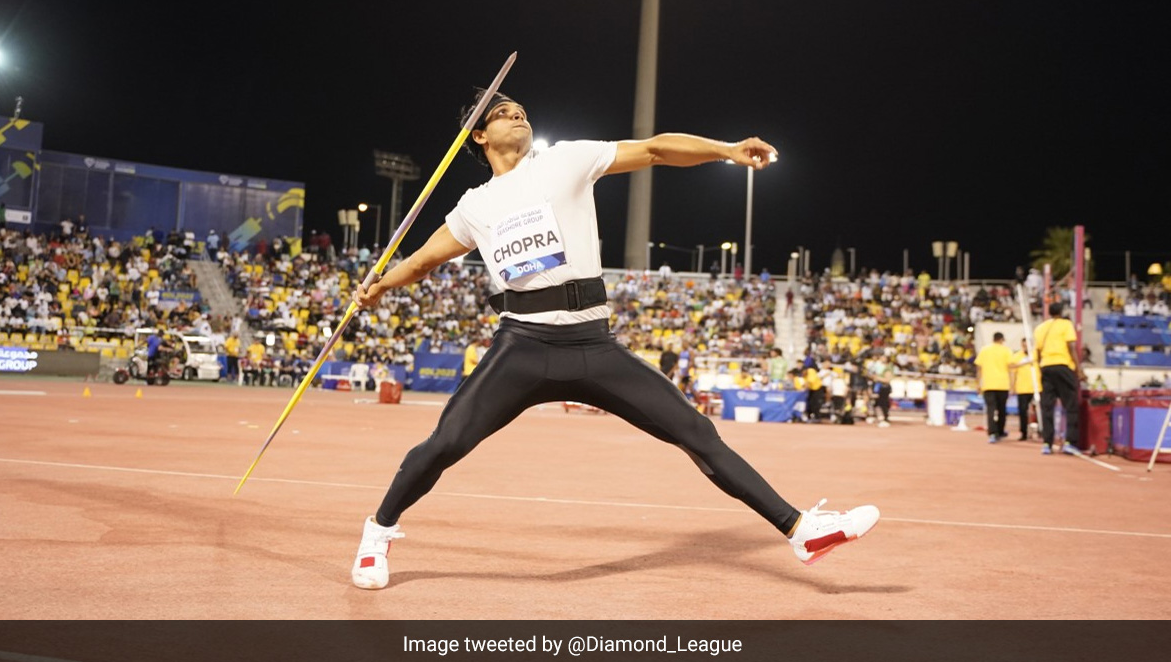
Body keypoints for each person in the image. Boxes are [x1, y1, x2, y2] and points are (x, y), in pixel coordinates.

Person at [347, 90, 879, 589]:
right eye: (505, 112)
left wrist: (726, 151)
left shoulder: (562, 161)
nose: (519, 115)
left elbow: (652, 151)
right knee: (445, 444)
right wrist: (375, 289)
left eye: (522, 110)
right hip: (523, 347)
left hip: (594, 348)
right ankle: (377, 533)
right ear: (479, 137)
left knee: (696, 433)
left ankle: (801, 530)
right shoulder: (473, 207)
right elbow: (420, 262)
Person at [1032, 301, 1084, 455]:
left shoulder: (1041, 328)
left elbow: (1039, 351)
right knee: (1071, 405)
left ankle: (1047, 443)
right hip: (1063, 366)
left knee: (1047, 407)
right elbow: (1071, 347)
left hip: (1046, 367)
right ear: (1062, 312)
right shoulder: (1066, 324)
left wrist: (1042, 368)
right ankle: (1069, 442)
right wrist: (1079, 369)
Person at [975, 332, 1013, 444]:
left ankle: (992, 433)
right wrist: (1012, 384)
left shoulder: (984, 350)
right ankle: (1000, 431)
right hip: (1003, 384)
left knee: (991, 409)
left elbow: (979, 368)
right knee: (1002, 410)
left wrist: (978, 383)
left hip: (988, 384)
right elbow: (1010, 367)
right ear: (1001, 339)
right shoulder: (1006, 350)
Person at [1009, 338, 1041, 441]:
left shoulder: (1036, 354)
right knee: (1022, 411)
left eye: (1027, 345)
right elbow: (1012, 368)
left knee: (1040, 411)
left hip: (1036, 387)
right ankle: (1023, 432)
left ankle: (1042, 431)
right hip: (1022, 388)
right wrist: (1012, 386)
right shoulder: (1017, 356)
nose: (1025, 347)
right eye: (1023, 345)